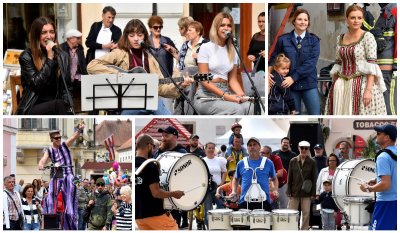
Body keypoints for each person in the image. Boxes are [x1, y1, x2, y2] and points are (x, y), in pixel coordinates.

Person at [87, 19, 191, 115]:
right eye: (132, 35)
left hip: (150, 102)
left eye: (140, 35)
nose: (136, 39)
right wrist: (119, 76)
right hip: (127, 105)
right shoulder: (120, 53)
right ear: (126, 36)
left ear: (145, 36)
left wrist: (180, 85)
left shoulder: (151, 57)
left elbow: (160, 88)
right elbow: (92, 66)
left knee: (158, 105)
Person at [325, 5, 387, 115]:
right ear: (347, 19)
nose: (356, 21)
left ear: (363, 19)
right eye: (353, 18)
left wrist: (368, 91)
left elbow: (372, 66)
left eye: (359, 18)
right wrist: (333, 88)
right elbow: (338, 63)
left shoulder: (368, 37)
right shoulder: (340, 38)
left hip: (362, 84)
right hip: (341, 85)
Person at [194, 12, 253, 115]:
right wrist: (226, 96)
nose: (226, 28)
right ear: (216, 27)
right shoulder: (206, 47)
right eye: (222, 25)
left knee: (250, 107)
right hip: (206, 96)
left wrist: (241, 95)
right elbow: (203, 80)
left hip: (226, 90)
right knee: (237, 109)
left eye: (229, 25)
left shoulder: (233, 49)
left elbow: (233, 80)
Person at [17, 16, 73, 115]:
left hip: (55, 106)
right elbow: (37, 84)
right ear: (36, 35)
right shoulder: (26, 56)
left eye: (51, 32)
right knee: (59, 105)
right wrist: (50, 59)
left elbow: (66, 87)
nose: (49, 36)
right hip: (32, 107)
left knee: (62, 105)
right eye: (44, 33)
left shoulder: (63, 56)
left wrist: (68, 107)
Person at [269, 9, 321, 115]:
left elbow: (311, 63)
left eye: (305, 20)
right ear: (294, 21)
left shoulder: (314, 40)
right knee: (295, 116)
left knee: (315, 114)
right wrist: (269, 73)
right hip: (290, 86)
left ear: (308, 22)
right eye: (300, 19)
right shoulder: (283, 39)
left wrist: (293, 77)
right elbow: (274, 58)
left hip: (308, 83)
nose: (303, 22)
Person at [38, 122, 85, 230]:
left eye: (59, 137)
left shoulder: (64, 145)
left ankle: (70, 214)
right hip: (58, 175)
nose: (59, 139)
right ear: (52, 140)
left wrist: (79, 129)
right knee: (50, 194)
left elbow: (73, 137)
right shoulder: (49, 150)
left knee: (70, 196)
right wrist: (41, 164)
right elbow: (44, 159)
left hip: (68, 174)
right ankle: (50, 214)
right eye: (56, 138)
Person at [135, 134, 184, 230]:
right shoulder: (150, 165)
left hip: (139, 216)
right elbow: (156, 193)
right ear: (149, 145)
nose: (153, 150)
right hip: (154, 214)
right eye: (153, 147)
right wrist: (174, 194)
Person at [360, 124, 397, 230]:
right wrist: (376, 180)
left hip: (386, 203)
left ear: (387, 137)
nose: (376, 135)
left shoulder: (383, 156)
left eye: (379, 133)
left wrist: (367, 188)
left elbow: (386, 184)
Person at [153, 126, 188, 228]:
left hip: (174, 198)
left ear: (175, 137)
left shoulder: (182, 153)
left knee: (173, 225)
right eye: (162, 136)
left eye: (166, 136)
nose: (163, 138)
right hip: (160, 197)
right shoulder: (159, 152)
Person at [230, 137, 278, 211]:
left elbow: (274, 178)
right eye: (250, 145)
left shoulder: (268, 162)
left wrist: (275, 190)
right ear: (247, 148)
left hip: (264, 201)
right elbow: (236, 179)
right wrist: (234, 191)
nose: (252, 147)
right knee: (243, 223)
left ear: (259, 147)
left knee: (263, 222)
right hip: (245, 201)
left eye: (254, 145)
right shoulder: (241, 163)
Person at [175, 20, 209, 115]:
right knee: (183, 80)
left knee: (188, 79)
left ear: (198, 32)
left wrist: (200, 57)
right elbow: (180, 62)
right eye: (187, 30)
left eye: (190, 30)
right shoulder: (185, 44)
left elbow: (213, 62)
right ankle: (181, 111)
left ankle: (186, 113)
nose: (187, 32)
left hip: (201, 76)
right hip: (185, 75)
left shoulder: (206, 44)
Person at [286, 141, 317, 230]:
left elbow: (314, 179)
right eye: (302, 148)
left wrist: (313, 193)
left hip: (306, 191)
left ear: (308, 149)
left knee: (306, 213)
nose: (304, 150)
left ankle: (304, 230)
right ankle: (292, 229)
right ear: (298, 148)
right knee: (292, 212)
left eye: (306, 148)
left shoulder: (312, 162)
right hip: (294, 190)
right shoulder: (293, 161)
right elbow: (290, 176)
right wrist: (288, 190)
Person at [375, 4, 397, 115]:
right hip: (380, 69)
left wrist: (396, 66)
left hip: (390, 71)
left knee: (390, 106)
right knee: (383, 104)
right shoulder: (383, 14)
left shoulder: (395, 10)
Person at [60, 29, 88, 113]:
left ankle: (84, 110)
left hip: (76, 76)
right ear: (71, 39)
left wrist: (86, 77)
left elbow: (83, 64)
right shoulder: (61, 48)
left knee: (87, 89)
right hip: (66, 78)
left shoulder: (80, 48)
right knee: (67, 95)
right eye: (78, 38)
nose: (80, 40)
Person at [202, 142, 227, 229]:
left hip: (217, 188)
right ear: (205, 149)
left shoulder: (220, 160)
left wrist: (222, 184)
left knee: (222, 206)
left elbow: (224, 172)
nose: (211, 150)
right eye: (209, 148)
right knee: (208, 210)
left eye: (213, 148)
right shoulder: (202, 160)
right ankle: (210, 227)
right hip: (207, 188)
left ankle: (220, 225)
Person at [272, 137, 296, 209]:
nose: (285, 144)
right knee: (273, 201)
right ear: (281, 143)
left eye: (287, 143)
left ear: (289, 144)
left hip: (286, 182)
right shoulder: (274, 153)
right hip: (275, 180)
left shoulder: (293, 155)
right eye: (284, 142)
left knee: (284, 203)